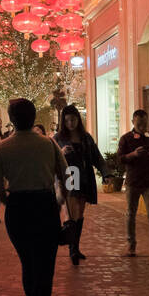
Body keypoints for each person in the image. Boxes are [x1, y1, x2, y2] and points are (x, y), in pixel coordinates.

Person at [0, 98, 68, 296]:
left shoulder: (2, 147)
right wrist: (59, 200)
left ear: (11, 118)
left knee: (28, 263)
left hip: (18, 208)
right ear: (33, 117)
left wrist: (7, 201)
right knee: (45, 265)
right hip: (44, 206)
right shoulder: (48, 144)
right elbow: (65, 174)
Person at [53, 104, 106, 265]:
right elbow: (51, 160)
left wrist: (106, 173)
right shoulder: (58, 139)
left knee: (80, 212)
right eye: (67, 120)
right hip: (70, 176)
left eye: (73, 119)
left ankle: (75, 246)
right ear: (63, 121)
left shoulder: (86, 137)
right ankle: (72, 249)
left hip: (84, 177)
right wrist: (61, 153)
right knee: (72, 211)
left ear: (78, 119)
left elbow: (96, 157)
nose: (70, 123)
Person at [117, 109, 149, 262]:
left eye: (145, 122)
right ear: (133, 122)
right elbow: (120, 159)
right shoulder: (126, 139)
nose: (143, 126)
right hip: (133, 181)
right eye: (139, 123)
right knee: (130, 214)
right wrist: (133, 154)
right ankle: (131, 246)